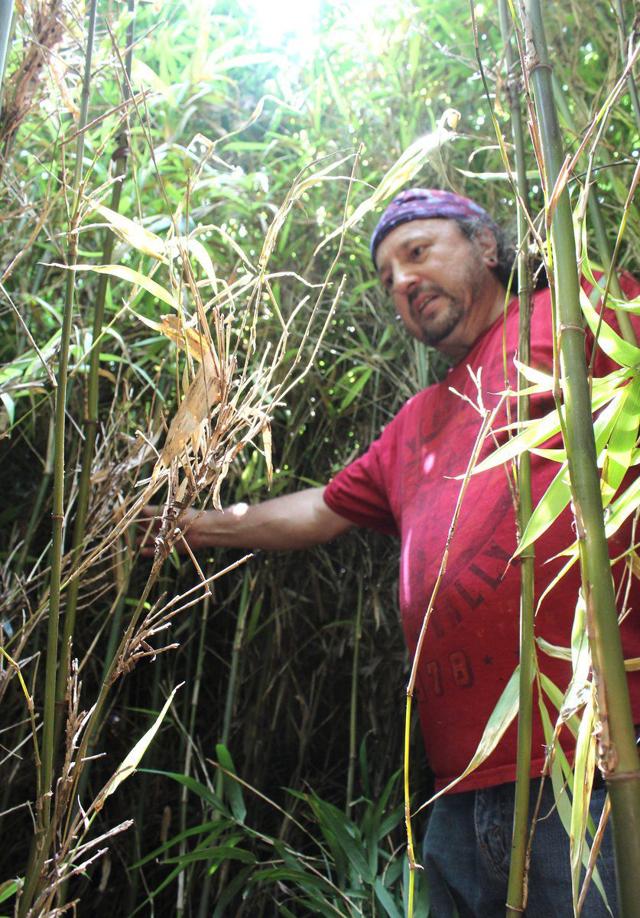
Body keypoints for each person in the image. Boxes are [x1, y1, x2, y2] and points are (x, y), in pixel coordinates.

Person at [142, 188, 640, 916]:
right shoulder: (416, 421)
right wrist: (188, 525)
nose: (402, 282)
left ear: (487, 247)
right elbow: (319, 508)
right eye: (386, 278)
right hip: (457, 796)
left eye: (417, 252)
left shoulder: (575, 313)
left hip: (596, 770)